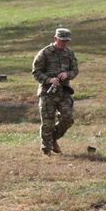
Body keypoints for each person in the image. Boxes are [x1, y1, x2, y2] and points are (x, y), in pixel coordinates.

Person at [32, 27, 79, 155]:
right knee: (48, 122)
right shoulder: (45, 53)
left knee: (68, 118)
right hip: (48, 93)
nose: (64, 43)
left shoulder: (70, 54)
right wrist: (49, 80)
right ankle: (46, 149)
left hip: (64, 92)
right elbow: (36, 72)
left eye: (66, 41)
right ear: (55, 39)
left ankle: (53, 139)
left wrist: (67, 74)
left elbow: (75, 71)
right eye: (62, 41)